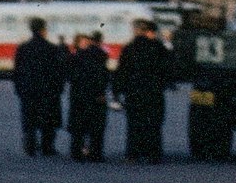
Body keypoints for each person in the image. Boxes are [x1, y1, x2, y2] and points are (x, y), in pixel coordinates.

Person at [117, 20, 171, 164]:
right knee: (153, 124)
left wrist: (118, 91)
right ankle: (153, 154)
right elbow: (168, 69)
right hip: (154, 92)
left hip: (133, 91)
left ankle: (132, 154)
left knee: (134, 124)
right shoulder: (159, 48)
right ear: (150, 32)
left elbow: (122, 71)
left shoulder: (129, 48)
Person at [9, 18, 62, 153]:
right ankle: (47, 147)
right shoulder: (52, 48)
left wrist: (19, 88)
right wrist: (58, 89)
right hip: (47, 90)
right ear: (43, 30)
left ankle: (30, 145)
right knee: (47, 119)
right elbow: (57, 71)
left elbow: (17, 70)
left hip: (28, 90)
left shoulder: (23, 48)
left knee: (29, 119)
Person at [65, 32, 111, 162]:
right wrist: (101, 92)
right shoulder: (101, 56)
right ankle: (95, 153)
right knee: (96, 126)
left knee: (78, 125)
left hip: (78, 95)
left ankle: (76, 152)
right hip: (96, 95)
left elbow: (70, 75)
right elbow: (103, 76)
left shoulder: (76, 56)